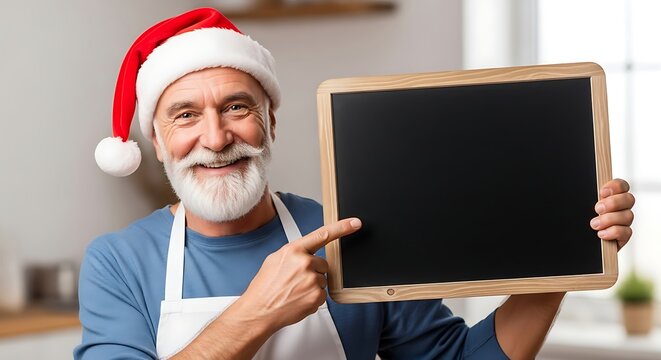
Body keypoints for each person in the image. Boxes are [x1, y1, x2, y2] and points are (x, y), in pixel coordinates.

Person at [75, 7, 636, 360]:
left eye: (237, 107)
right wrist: (258, 312)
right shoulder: (120, 262)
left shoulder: (348, 231)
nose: (217, 138)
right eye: (185, 116)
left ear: (271, 122)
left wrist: (567, 254)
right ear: (154, 139)